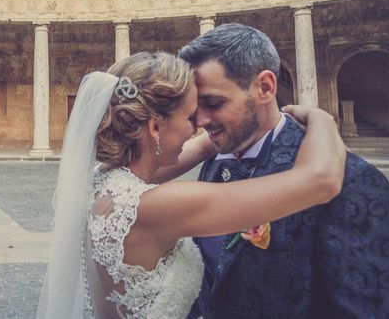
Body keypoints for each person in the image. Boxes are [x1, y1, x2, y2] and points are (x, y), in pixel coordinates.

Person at [36, 51, 347, 319]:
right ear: (155, 126)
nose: (199, 126)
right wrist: (322, 121)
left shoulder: (103, 180)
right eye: (190, 118)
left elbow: (197, 148)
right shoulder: (160, 206)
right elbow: (322, 180)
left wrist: (230, 128)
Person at [179, 23, 389, 318]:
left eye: (214, 103)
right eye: (194, 107)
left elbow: (383, 308)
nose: (200, 120)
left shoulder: (352, 179)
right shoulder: (215, 159)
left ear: (266, 88)